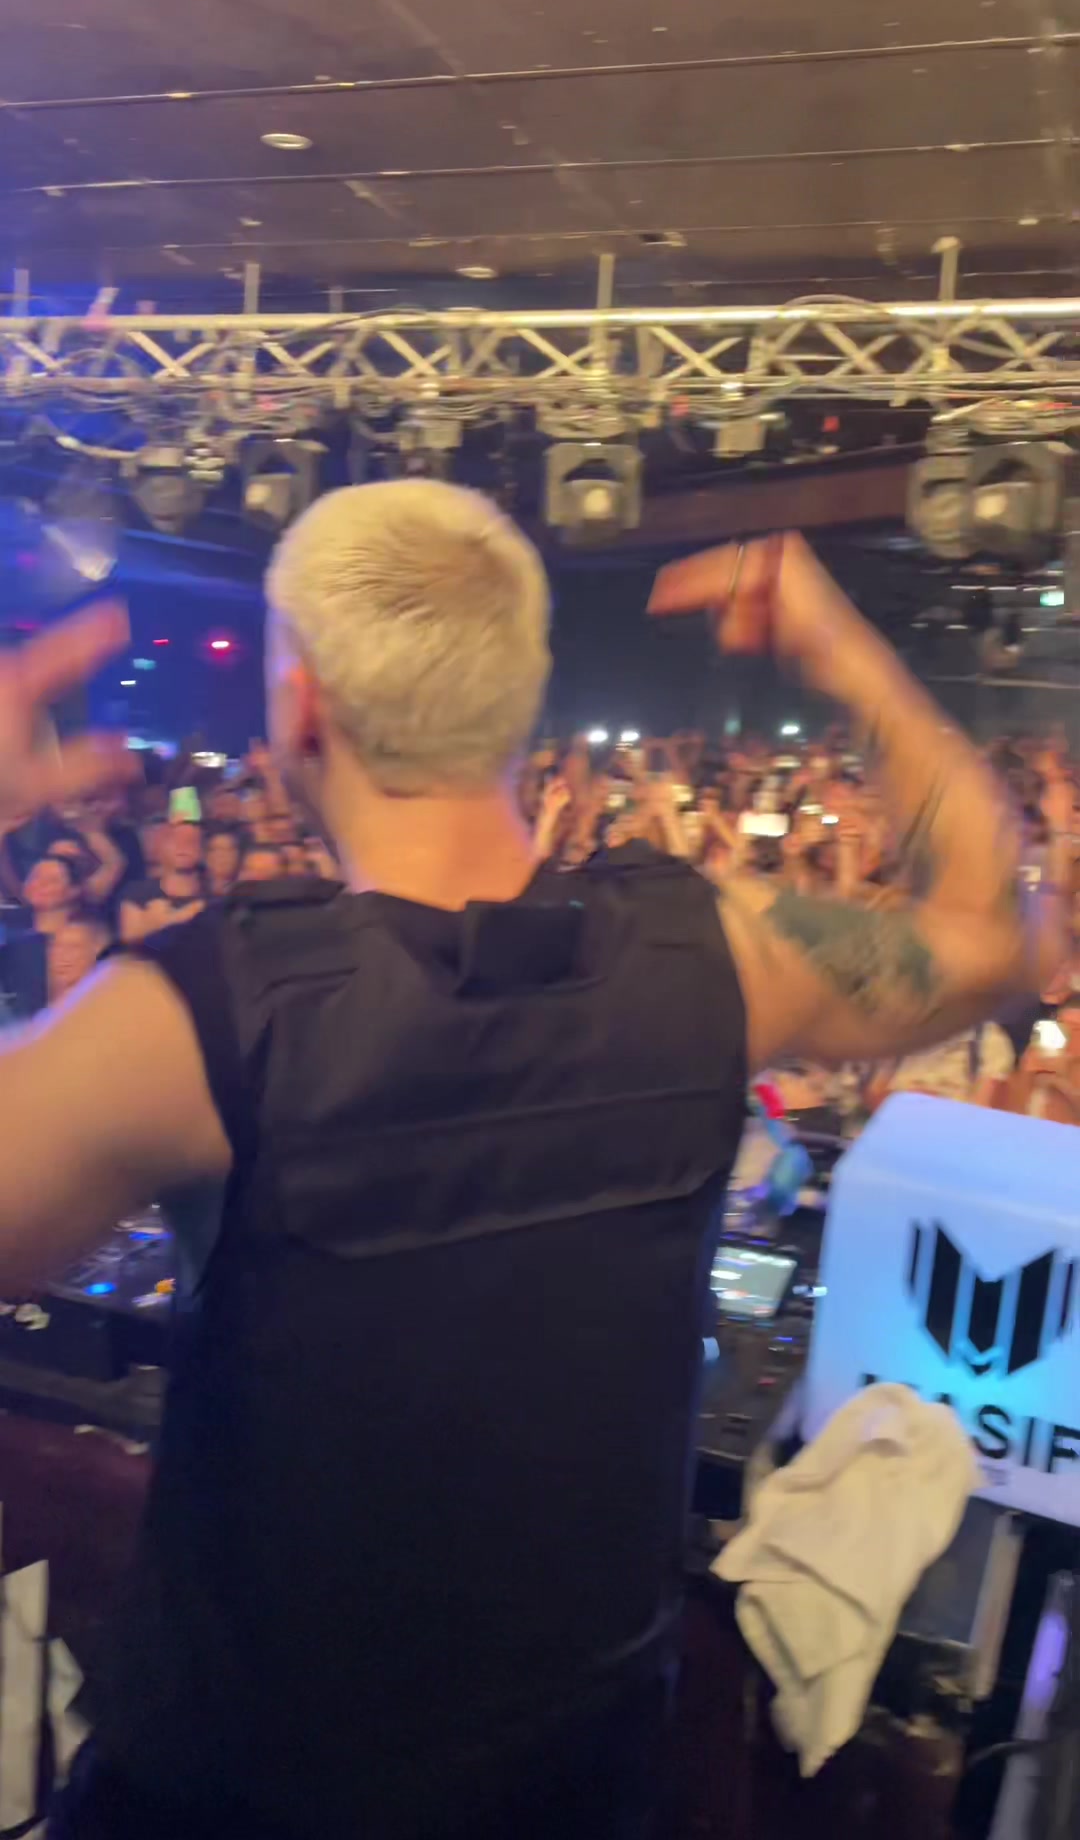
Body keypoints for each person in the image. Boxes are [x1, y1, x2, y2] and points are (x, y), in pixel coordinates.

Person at [0, 489, 1050, 1840]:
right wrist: (849, 657)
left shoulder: (191, 1016)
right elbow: (994, 932)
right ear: (518, 703)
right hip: (581, 1785)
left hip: (245, 1801)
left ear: (301, 709)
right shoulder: (723, 953)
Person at [118, 818, 205, 941]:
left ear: (202, 851)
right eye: (175, 840)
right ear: (163, 846)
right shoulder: (138, 893)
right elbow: (128, 938)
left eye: (190, 841)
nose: (182, 846)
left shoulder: (212, 902)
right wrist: (179, 916)